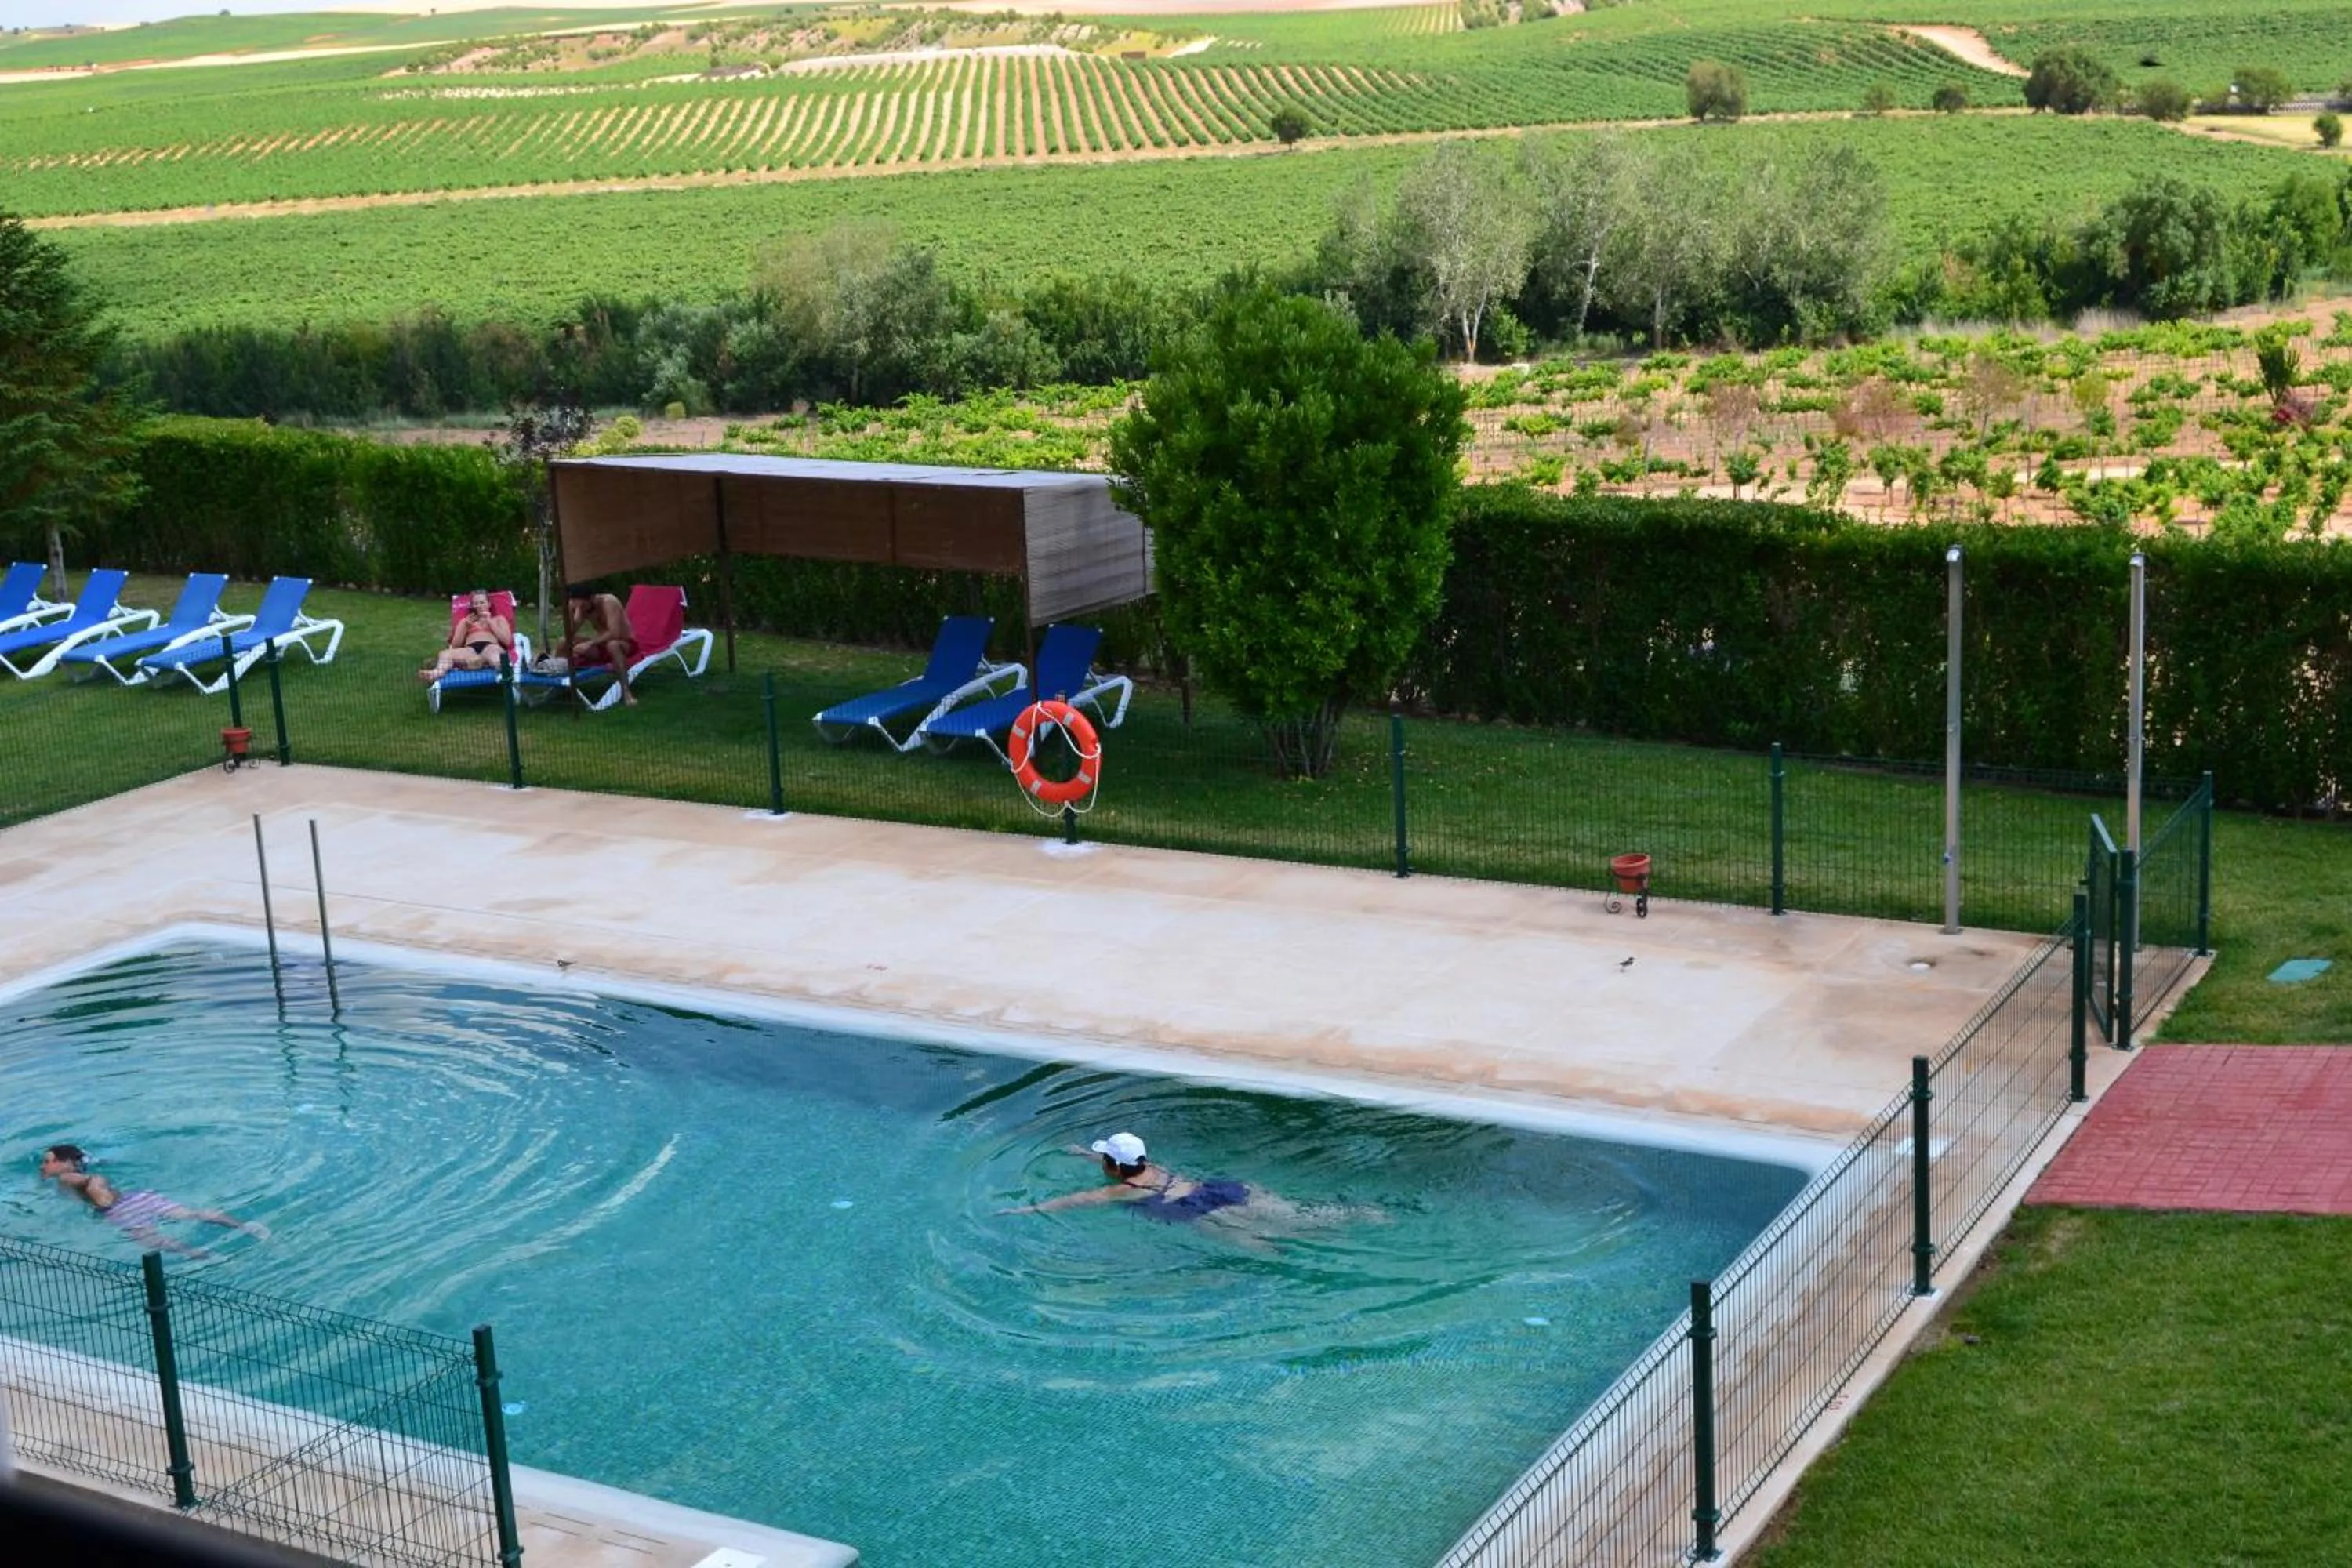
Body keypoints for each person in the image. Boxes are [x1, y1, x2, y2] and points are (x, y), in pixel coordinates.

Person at [38, 1145, 268, 1258]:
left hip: (119, 1210)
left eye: (48, 1162)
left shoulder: (66, 1178)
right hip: (136, 1197)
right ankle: (246, 1227)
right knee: (190, 1214)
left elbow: (88, 1182)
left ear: (65, 1163)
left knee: (154, 1240)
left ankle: (203, 1256)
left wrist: (96, 1191)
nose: (43, 1166)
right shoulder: (73, 1176)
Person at [1003, 1132, 1255, 1222]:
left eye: (1104, 1159)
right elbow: (1121, 1162)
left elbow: (1076, 1199)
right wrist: (1082, 1153)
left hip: (1198, 1212)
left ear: (1115, 1168)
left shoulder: (1125, 1189)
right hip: (1218, 1190)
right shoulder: (1152, 1168)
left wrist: (1028, 1209)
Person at [416, 589, 514, 684]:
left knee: (494, 655)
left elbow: (507, 641)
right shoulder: (466, 621)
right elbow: (455, 645)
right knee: (445, 654)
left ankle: (504, 673)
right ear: (472, 606)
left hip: (490, 647)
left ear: (489, 604)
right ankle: (434, 674)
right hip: (470, 650)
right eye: (476, 603)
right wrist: (465, 627)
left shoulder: (498, 619)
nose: (479, 606)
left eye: (482, 602)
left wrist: (490, 622)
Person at [564, 583, 637, 706]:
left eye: (583, 605)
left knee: (613, 645)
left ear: (591, 598)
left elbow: (615, 633)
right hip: (602, 646)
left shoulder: (609, 602)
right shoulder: (582, 608)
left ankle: (626, 692)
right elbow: (570, 634)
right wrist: (572, 615)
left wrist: (589, 644)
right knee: (563, 642)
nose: (581, 608)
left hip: (625, 643)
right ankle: (560, 685)